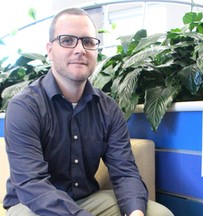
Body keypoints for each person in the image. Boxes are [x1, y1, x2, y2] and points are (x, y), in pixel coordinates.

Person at [3, 8, 174, 216]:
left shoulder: (108, 109)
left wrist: (136, 212)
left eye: (88, 41)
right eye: (67, 40)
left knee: (158, 214)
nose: (80, 49)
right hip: (33, 204)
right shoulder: (25, 107)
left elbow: (125, 173)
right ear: (50, 50)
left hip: (86, 200)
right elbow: (32, 185)